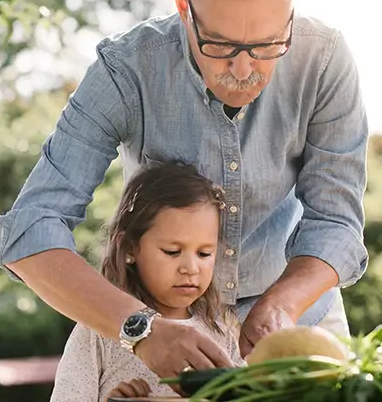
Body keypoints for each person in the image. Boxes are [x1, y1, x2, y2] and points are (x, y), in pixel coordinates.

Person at [0, 0, 369, 381]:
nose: (243, 69)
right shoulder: (125, 70)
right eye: (220, 44)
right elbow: (30, 231)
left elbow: (336, 222)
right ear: (183, 5)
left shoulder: (326, 61)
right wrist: (141, 329)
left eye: (268, 44)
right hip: (157, 333)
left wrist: (282, 303)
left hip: (297, 322)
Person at [49, 161, 245, 402]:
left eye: (204, 253)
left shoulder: (221, 338)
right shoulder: (98, 331)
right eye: (172, 251)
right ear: (131, 248)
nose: (191, 268)